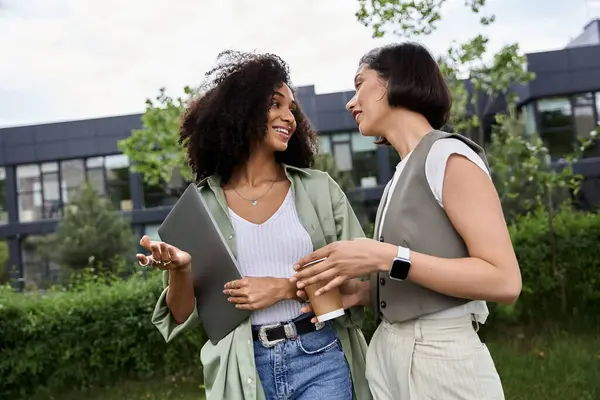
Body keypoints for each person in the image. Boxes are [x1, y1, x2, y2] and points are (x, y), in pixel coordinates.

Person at [290, 42, 522, 400]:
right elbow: (421, 271)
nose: (351, 103)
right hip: (391, 351)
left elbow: (504, 281)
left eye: (359, 84)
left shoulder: (449, 156)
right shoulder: (403, 171)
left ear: (392, 81)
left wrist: (383, 257)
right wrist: (366, 292)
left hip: (441, 359)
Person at [140, 50, 372, 400]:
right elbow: (181, 312)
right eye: (274, 104)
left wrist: (283, 288)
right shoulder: (202, 205)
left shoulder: (320, 190)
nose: (288, 116)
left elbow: (362, 283)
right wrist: (181, 271)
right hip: (244, 367)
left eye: (291, 108)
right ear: (241, 110)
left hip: (320, 357)